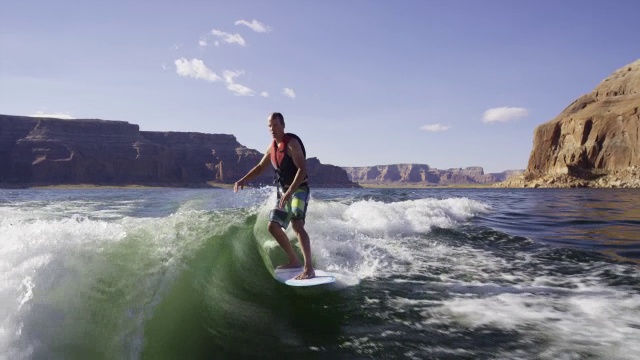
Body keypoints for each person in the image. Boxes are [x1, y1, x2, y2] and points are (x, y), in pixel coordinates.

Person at [234, 112, 315, 280]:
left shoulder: (292, 143)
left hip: (299, 189)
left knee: (297, 224)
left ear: (283, 125)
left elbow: (302, 169)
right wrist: (243, 180)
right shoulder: (272, 147)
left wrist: (290, 191)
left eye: (275, 125)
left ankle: (309, 268)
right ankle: (294, 260)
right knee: (273, 226)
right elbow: (260, 167)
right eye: (270, 126)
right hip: (283, 192)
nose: (272, 129)